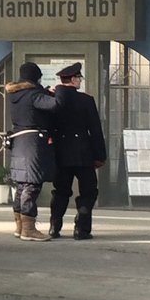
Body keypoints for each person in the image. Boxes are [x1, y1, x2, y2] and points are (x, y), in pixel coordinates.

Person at [5, 61, 63, 242]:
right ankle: (29, 229)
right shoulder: (33, 94)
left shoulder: (15, 94)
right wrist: (58, 91)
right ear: (36, 77)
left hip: (19, 142)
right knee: (32, 185)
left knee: (21, 185)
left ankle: (19, 226)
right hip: (32, 145)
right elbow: (54, 105)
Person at [49, 62, 107, 240]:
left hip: (61, 154)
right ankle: (81, 228)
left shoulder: (52, 99)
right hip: (83, 154)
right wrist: (100, 156)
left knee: (60, 191)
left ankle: (54, 227)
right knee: (88, 192)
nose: (80, 81)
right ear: (73, 80)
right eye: (79, 78)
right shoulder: (86, 100)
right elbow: (95, 130)